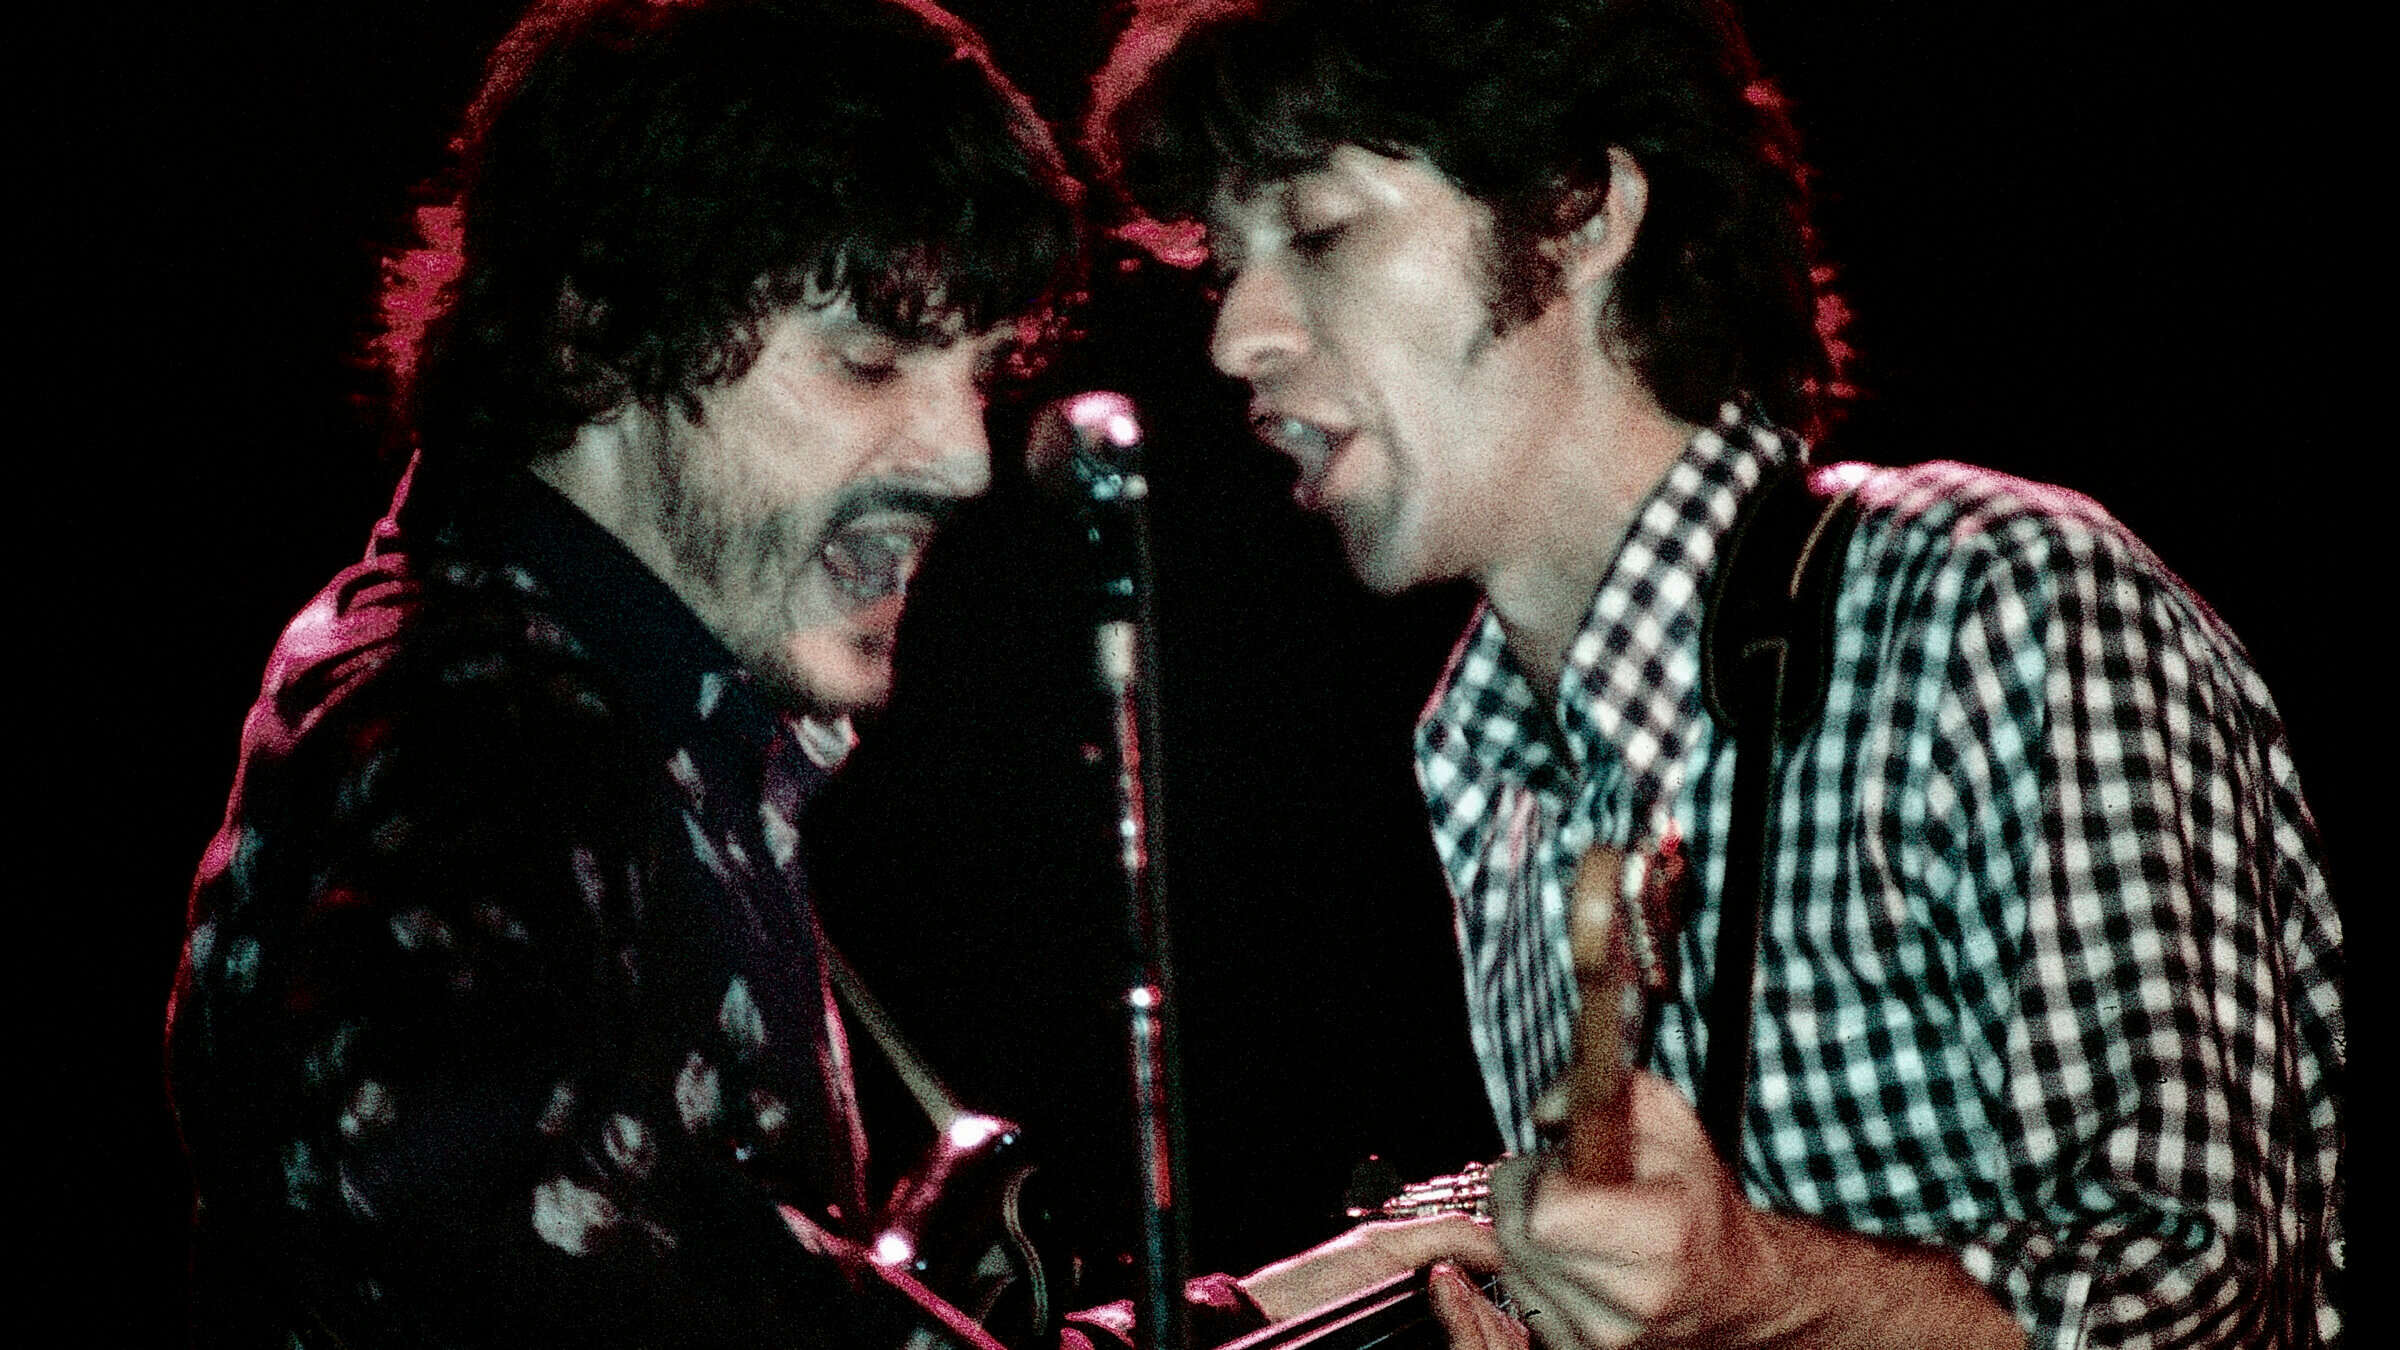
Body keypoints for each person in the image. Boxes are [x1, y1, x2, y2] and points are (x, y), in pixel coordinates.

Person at [1088, 1, 2344, 1346]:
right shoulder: (1488, 752)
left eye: (1322, 232)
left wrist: (1765, 1290)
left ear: (1583, 209)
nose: (1236, 335)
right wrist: (1365, 1270)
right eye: (1225, 260)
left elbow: (2219, 1305)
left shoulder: (1995, 602)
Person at [164, 0, 1080, 1343]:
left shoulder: (624, 717)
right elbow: (451, 1185)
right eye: (869, 361)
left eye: (981, 370)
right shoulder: (470, 718)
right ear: (598, 335)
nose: (963, 457)